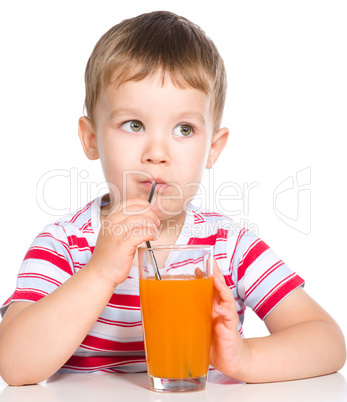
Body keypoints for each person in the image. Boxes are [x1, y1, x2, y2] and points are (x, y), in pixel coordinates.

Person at [0, 11, 345, 386]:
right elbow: (15, 367)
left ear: (213, 148)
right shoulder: (65, 246)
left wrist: (244, 358)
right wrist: (99, 272)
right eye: (133, 125)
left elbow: (327, 342)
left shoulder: (230, 248)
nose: (157, 153)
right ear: (91, 138)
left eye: (184, 128)